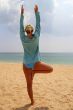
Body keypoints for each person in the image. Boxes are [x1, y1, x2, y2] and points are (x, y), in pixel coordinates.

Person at [20, 5, 53, 105]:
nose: (29, 33)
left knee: (29, 85)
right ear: (30, 31)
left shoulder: (23, 38)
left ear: (28, 31)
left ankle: (32, 101)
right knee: (30, 84)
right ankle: (32, 101)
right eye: (28, 31)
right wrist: (36, 13)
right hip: (33, 65)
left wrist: (22, 14)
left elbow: (20, 27)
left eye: (29, 31)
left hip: (27, 66)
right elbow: (38, 24)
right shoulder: (36, 36)